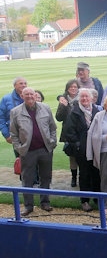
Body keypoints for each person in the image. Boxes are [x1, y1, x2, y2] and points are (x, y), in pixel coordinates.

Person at [10, 87, 57, 216]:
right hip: (28, 151)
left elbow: (53, 127)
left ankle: (45, 202)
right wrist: (20, 148)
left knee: (46, 177)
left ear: (35, 95)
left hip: (45, 149)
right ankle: (28, 206)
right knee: (27, 179)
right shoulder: (15, 112)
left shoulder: (45, 108)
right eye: (27, 94)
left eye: (32, 94)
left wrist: (52, 142)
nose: (30, 96)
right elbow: (13, 134)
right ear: (22, 96)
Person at [61, 88, 101, 212]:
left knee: (96, 173)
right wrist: (78, 145)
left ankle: (97, 198)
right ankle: (84, 200)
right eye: (82, 97)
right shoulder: (74, 112)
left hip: (95, 148)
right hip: (82, 150)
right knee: (84, 174)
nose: (84, 99)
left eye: (86, 97)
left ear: (91, 98)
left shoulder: (96, 110)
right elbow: (69, 132)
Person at [56, 79, 80, 187]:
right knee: (72, 157)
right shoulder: (63, 100)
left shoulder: (82, 98)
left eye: (75, 87)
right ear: (67, 89)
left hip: (80, 132)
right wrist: (63, 106)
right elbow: (58, 118)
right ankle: (74, 177)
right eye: (71, 87)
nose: (73, 89)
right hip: (68, 133)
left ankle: (82, 177)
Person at [1, 77, 27, 150]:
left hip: (32, 134)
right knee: (20, 158)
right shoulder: (6, 99)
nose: (24, 85)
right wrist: (6, 135)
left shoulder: (30, 97)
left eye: (25, 83)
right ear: (14, 85)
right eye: (21, 83)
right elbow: (1, 118)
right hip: (16, 135)